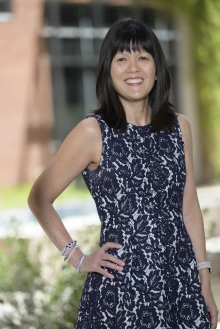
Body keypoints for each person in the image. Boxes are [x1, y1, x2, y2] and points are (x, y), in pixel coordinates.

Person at [28, 18, 219, 329]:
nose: (134, 68)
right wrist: (77, 258)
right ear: (108, 70)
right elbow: (39, 198)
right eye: (122, 59)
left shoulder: (179, 127)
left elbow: (189, 210)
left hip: (180, 286)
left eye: (143, 57)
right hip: (122, 290)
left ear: (157, 69)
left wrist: (204, 281)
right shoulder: (92, 132)